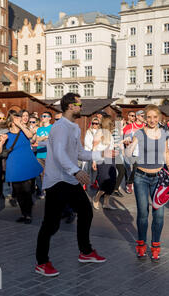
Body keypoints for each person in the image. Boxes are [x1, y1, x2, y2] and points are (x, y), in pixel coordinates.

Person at [35, 93, 115, 277]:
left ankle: (85, 252)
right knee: (51, 224)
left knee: (86, 212)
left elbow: (78, 152)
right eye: (79, 104)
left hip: (69, 179)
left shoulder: (74, 127)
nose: (81, 107)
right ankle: (42, 262)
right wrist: (76, 171)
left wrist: (99, 155)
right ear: (71, 106)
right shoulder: (60, 127)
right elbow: (60, 154)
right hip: (57, 181)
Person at [125, 105, 169, 262]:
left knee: (159, 214)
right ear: (145, 118)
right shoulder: (139, 133)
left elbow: (166, 152)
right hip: (141, 177)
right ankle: (141, 244)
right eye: (149, 117)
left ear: (159, 118)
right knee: (143, 213)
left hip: (159, 178)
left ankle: (156, 245)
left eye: (155, 117)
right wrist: (130, 153)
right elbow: (128, 152)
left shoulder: (164, 133)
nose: (152, 120)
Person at [0, 110, 42, 224]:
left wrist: (21, 124)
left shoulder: (24, 132)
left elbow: (31, 135)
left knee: (27, 191)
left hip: (27, 165)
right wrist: (1, 142)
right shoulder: (6, 135)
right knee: (19, 192)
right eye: (16, 119)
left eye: (19, 118)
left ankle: (28, 215)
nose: (20, 119)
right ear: (11, 122)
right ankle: (23, 213)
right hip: (14, 166)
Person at [92, 116, 118, 210]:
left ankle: (106, 203)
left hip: (111, 159)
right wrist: (94, 161)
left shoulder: (110, 134)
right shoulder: (99, 133)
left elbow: (110, 146)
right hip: (101, 160)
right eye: (112, 124)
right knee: (104, 181)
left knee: (112, 181)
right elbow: (94, 148)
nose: (114, 126)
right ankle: (96, 199)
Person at [122, 110, 145, 194]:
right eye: (142, 116)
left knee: (143, 170)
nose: (144, 117)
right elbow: (125, 139)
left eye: (144, 116)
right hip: (135, 151)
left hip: (144, 151)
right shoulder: (130, 126)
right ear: (137, 116)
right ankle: (130, 183)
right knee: (135, 169)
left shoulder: (146, 126)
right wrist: (128, 143)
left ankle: (140, 185)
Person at [35, 111, 53, 199]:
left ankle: (49, 190)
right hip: (39, 154)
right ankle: (43, 191)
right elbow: (37, 140)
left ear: (50, 118)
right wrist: (46, 137)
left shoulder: (53, 128)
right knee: (41, 174)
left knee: (48, 173)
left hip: (49, 154)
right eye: (42, 115)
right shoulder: (39, 129)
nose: (43, 117)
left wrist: (44, 139)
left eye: (45, 116)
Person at [83, 117, 100, 191]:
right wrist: (93, 148)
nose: (95, 125)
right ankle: (85, 184)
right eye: (93, 123)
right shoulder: (89, 131)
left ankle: (93, 183)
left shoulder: (100, 132)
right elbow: (87, 142)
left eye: (96, 123)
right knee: (87, 169)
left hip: (97, 152)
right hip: (89, 152)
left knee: (95, 169)